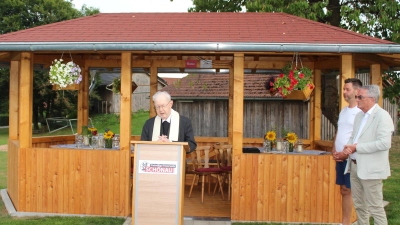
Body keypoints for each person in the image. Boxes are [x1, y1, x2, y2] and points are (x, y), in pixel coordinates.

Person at [343, 85, 394, 225]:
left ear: (372, 99)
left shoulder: (383, 116)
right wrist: (348, 147)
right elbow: (354, 137)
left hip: (371, 170)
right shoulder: (359, 115)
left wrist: (357, 148)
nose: (357, 100)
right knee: (359, 206)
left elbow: (384, 144)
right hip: (354, 167)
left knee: (375, 208)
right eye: (357, 96)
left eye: (360, 97)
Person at [332, 78, 362, 225]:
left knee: (350, 190)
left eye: (347, 89)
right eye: (343, 89)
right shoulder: (344, 111)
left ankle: (349, 222)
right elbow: (339, 131)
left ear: (356, 91)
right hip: (340, 157)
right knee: (343, 190)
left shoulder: (360, 113)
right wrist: (334, 149)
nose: (344, 92)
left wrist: (346, 152)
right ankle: (345, 222)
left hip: (351, 158)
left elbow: (359, 137)